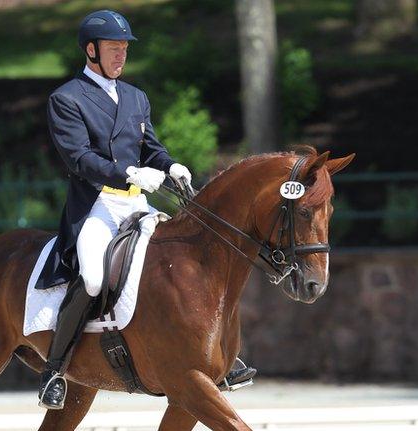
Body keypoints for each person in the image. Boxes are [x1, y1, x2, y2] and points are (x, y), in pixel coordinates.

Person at [35, 9, 256, 409]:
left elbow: (150, 147)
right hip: (97, 205)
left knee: (184, 265)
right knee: (92, 278)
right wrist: (131, 173)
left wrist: (169, 164)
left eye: (124, 48)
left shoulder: (136, 97)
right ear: (91, 50)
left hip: (136, 203)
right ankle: (55, 368)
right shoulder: (66, 99)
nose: (121, 55)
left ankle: (218, 357)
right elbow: (78, 159)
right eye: (113, 48)